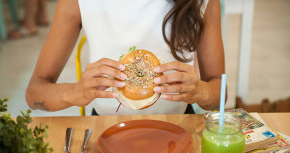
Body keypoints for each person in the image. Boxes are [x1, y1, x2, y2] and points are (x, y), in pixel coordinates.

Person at [25, 0, 226, 115]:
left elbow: (220, 92)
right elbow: (34, 92)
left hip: (177, 126)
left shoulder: (202, 2)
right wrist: (74, 92)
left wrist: (202, 91)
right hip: (104, 129)